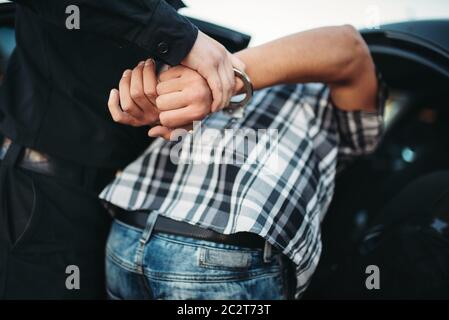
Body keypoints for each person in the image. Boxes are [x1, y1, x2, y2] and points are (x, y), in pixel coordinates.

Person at [100, 25, 386, 299]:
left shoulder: (328, 96)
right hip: (137, 233)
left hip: (182, 245)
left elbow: (349, 47)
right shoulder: (211, 70)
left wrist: (220, 77)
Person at [0, 0, 241, 299]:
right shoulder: (175, 32)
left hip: (122, 204)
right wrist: (181, 38)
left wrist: (170, 98)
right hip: (44, 201)